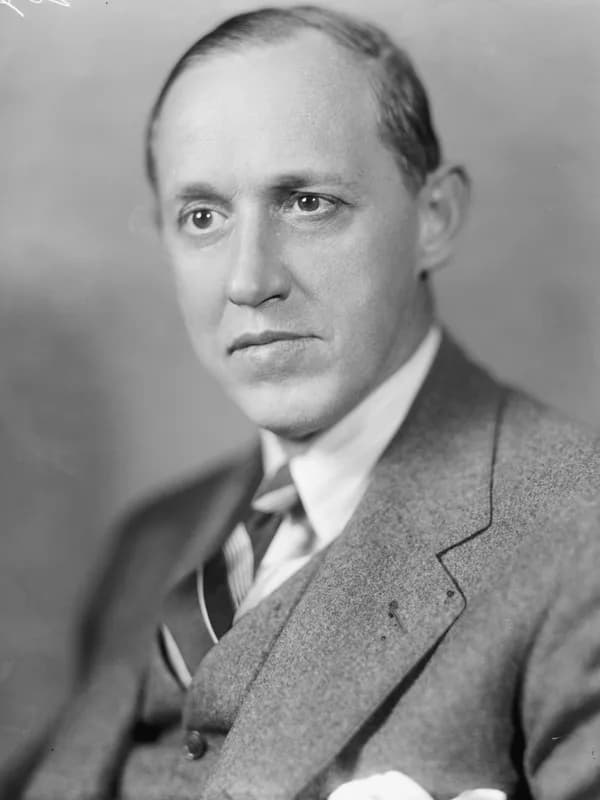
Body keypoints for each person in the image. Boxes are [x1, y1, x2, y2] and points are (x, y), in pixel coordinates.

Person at [7, 5, 600, 800]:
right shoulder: (153, 544)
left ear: (434, 218)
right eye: (203, 217)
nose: (249, 280)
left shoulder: (580, 534)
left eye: (308, 202)